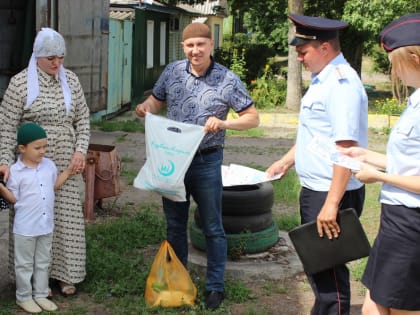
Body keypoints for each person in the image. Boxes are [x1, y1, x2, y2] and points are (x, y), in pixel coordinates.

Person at [135, 22, 259, 310]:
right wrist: (146, 108)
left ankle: (215, 286)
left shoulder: (228, 79)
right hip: (173, 160)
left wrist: (225, 123)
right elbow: (156, 100)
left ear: (211, 45)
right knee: (175, 224)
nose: (195, 50)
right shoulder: (173, 72)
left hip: (207, 160)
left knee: (213, 226)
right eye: (190, 46)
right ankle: (178, 282)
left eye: (200, 45)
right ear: (183, 48)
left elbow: (253, 118)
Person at [266, 14, 368, 315]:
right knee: (320, 269)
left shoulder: (341, 85)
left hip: (330, 193)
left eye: (303, 50)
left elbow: (345, 148)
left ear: (325, 47)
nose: (298, 57)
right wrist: (287, 160)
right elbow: (317, 135)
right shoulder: (323, 79)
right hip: (319, 190)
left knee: (330, 277)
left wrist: (331, 205)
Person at [0, 28, 90, 297]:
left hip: (66, 164)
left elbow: (83, 120)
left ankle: (66, 275)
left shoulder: (71, 81)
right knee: (33, 219)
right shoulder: (20, 84)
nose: (57, 63)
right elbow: (6, 126)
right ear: (38, 56)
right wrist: (4, 162)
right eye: (51, 58)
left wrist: (80, 151)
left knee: (65, 218)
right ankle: (35, 282)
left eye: (61, 57)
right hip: (32, 164)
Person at [340, 13, 420, 315]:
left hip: (411, 223)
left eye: (395, 64)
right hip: (396, 219)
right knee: (373, 303)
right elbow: (410, 163)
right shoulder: (415, 102)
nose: (393, 73)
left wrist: (378, 176)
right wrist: (367, 156)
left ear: (414, 57)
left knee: (401, 307)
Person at [0, 122, 74, 313]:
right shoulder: (15, 172)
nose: (43, 151)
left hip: (45, 225)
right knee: (24, 264)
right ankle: (23, 297)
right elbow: (13, 198)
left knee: (43, 262)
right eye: (37, 147)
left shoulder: (49, 166)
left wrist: (67, 172)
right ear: (22, 148)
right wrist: (1, 187)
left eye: (44, 147)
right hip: (25, 227)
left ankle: (40, 294)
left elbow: (52, 186)